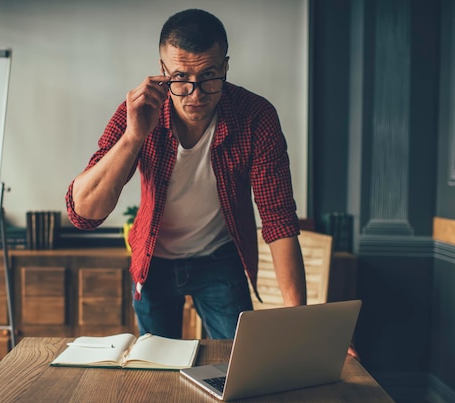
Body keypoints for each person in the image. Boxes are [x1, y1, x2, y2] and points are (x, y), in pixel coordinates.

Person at [65, 8, 306, 339]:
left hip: (221, 259)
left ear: (225, 66)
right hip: (153, 260)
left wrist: (302, 325)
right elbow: (84, 214)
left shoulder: (255, 116)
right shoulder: (137, 111)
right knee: (156, 374)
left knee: (236, 364)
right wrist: (134, 137)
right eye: (180, 78)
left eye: (209, 76)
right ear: (163, 69)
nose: (195, 94)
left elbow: (278, 220)